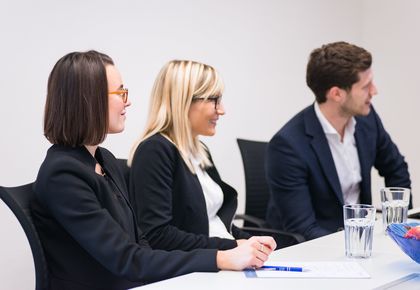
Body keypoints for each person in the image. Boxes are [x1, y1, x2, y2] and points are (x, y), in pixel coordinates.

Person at [31, 51, 276, 290]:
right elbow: (128, 260)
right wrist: (221, 257)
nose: (128, 101)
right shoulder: (63, 174)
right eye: (120, 92)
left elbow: (143, 245)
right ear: (88, 98)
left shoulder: (103, 159)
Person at [265, 41, 411, 241]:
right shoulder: (288, 146)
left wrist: (400, 231)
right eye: (366, 86)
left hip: (360, 242)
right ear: (337, 94)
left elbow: (397, 170)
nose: (374, 91)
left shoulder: (367, 119)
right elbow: (303, 230)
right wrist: (358, 244)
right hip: (313, 252)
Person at [128, 60, 265, 251]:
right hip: (198, 270)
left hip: (222, 259)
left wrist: (252, 241)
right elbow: (158, 236)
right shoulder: (155, 151)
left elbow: (214, 222)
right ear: (183, 101)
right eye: (213, 99)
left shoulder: (199, 150)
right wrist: (232, 246)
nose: (222, 110)